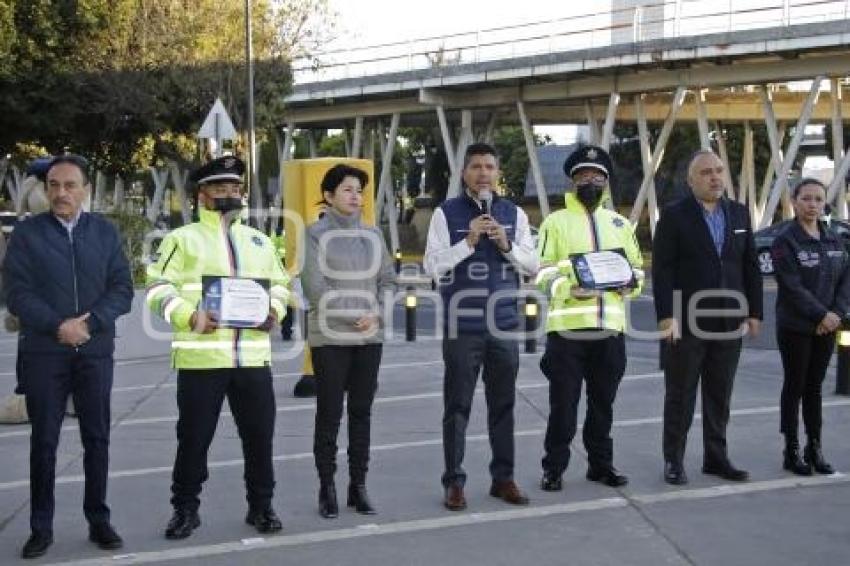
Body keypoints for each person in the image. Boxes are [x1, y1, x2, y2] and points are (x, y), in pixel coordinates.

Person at [146, 156, 290, 539]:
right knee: (193, 440)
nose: (230, 194)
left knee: (259, 438)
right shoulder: (182, 239)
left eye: (234, 188)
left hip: (252, 358)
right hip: (201, 358)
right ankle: (185, 509)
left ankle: (261, 506)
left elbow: (280, 285)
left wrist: (273, 311)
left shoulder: (258, 240)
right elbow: (158, 288)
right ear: (202, 194)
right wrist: (189, 316)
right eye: (220, 187)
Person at [4, 154, 133, 559]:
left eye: (70, 185)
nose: (61, 193)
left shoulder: (105, 233)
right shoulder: (27, 235)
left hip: (94, 352)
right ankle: (40, 527)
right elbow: (17, 293)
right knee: (44, 441)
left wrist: (90, 323)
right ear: (46, 190)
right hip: (45, 352)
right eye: (54, 185)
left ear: (85, 190)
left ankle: (99, 519)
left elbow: (122, 289)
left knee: (97, 438)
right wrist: (60, 325)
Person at [424, 142, 538, 511]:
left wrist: (505, 243)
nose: (483, 173)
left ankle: (503, 478)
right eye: (476, 166)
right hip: (463, 327)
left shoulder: (514, 214)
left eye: (489, 166)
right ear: (464, 173)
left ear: (497, 172)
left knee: (503, 405)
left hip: (504, 325)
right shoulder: (446, 213)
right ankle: (454, 482)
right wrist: (468, 240)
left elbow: (532, 266)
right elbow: (432, 267)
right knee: (456, 407)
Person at [536, 145, 644, 491]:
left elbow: (638, 270)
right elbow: (541, 274)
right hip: (567, 332)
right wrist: (569, 289)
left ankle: (601, 465)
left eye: (598, 176)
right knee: (563, 408)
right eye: (584, 175)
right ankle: (554, 468)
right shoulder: (555, 222)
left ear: (607, 183)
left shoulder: (620, 224)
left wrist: (632, 284)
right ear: (573, 180)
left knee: (603, 406)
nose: (591, 180)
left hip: (609, 331)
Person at [652, 149, 763, 486]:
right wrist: (667, 317)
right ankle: (674, 460)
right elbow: (663, 270)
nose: (715, 177)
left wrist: (755, 311)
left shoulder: (740, 214)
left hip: (729, 320)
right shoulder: (674, 216)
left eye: (719, 171)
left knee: (719, 395)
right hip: (687, 321)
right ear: (691, 180)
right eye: (706, 173)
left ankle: (716, 458)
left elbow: (750, 266)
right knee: (680, 395)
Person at [301, 164, 395, 518]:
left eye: (359, 190)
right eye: (347, 190)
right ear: (328, 196)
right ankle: (327, 486)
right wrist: (352, 316)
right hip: (330, 336)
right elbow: (314, 286)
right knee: (329, 413)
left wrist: (377, 315)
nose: (356, 196)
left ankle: (358, 486)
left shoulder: (373, 233)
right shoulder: (314, 234)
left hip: (370, 336)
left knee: (361, 412)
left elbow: (388, 280)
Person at [771, 178, 847, 476]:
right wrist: (820, 316)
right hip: (796, 327)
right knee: (795, 385)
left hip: (827, 326)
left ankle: (813, 447)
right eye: (807, 199)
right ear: (794, 201)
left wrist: (836, 314)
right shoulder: (785, 241)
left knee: (814, 388)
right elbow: (791, 286)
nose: (813, 204)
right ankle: (790, 449)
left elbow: (846, 280)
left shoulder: (833, 240)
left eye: (818, 199)